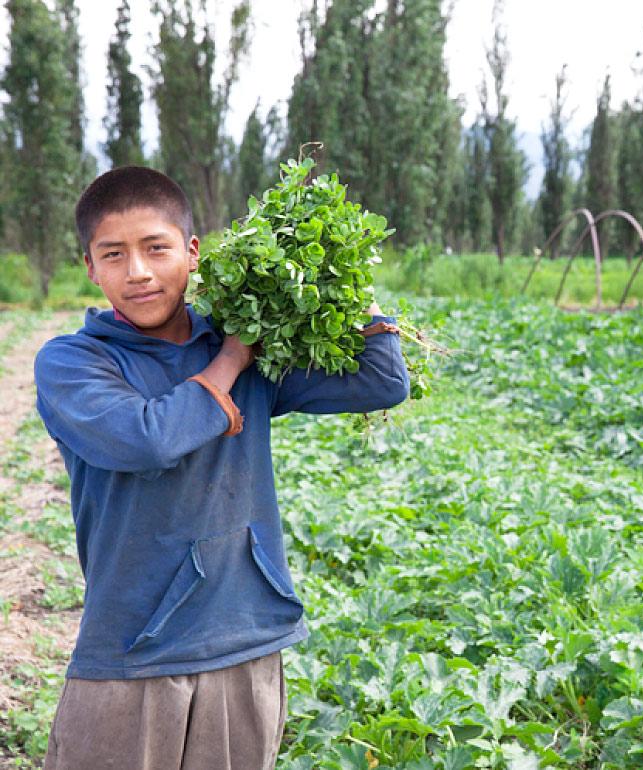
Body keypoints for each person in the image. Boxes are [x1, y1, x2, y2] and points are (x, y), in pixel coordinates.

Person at [34, 166, 409, 770]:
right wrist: (229, 363)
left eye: (156, 248)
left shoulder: (246, 346)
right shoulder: (73, 363)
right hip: (133, 651)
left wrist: (335, 285)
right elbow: (147, 439)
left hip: (245, 639)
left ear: (192, 252)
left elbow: (383, 381)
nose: (138, 272)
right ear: (90, 267)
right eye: (114, 254)